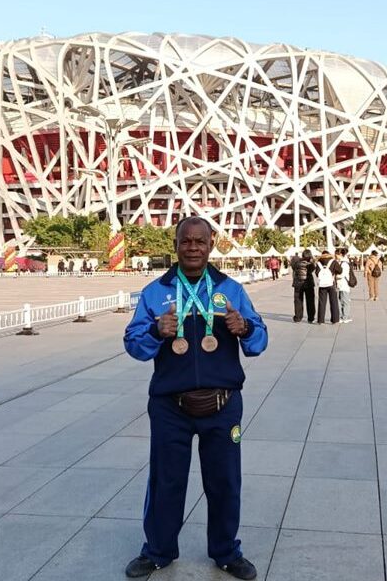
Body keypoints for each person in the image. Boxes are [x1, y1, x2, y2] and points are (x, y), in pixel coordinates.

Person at [123, 216, 267, 580]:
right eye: (185, 241)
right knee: (165, 480)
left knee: (224, 481)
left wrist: (245, 327)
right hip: (171, 407)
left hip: (223, 406)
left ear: (211, 244)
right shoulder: (156, 292)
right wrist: (157, 331)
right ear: (176, 244)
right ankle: (157, 550)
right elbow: (134, 345)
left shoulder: (230, 290)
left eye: (199, 241)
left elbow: (259, 340)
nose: (192, 247)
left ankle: (225, 551)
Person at [315, 250, 341, 324]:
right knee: (334, 301)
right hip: (331, 284)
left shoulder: (319, 262)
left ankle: (320, 320)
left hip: (322, 285)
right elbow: (340, 270)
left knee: (322, 302)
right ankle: (335, 319)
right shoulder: (333, 261)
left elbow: (317, 273)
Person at [292, 250, 316, 323]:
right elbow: (312, 269)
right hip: (308, 283)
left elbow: (293, 267)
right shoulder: (311, 264)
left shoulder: (296, 263)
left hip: (298, 283)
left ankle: (298, 317)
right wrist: (312, 260)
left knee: (298, 301)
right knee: (310, 301)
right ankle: (311, 318)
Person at [336, 249, 353, 323]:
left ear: (340, 254)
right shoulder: (342, 262)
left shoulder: (344, 263)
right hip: (341, 284)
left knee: (345, 301)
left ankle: (345, 317)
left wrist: (336, 276)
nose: (336, 256)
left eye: (336, 255)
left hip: (344, 284)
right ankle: (344, 316)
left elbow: (343, 274)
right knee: (342, 300)